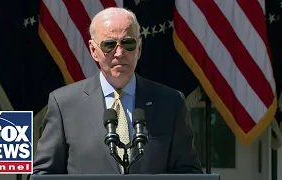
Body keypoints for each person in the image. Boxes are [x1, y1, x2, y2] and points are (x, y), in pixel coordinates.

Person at [33, 7, 203, 174]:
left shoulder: (170, 102)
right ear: (93, 50)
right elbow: (44, 174)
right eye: (109, 45)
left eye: (128, 43)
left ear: (139, 49)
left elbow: (188, 172)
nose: (119, 52)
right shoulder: (64, 104)